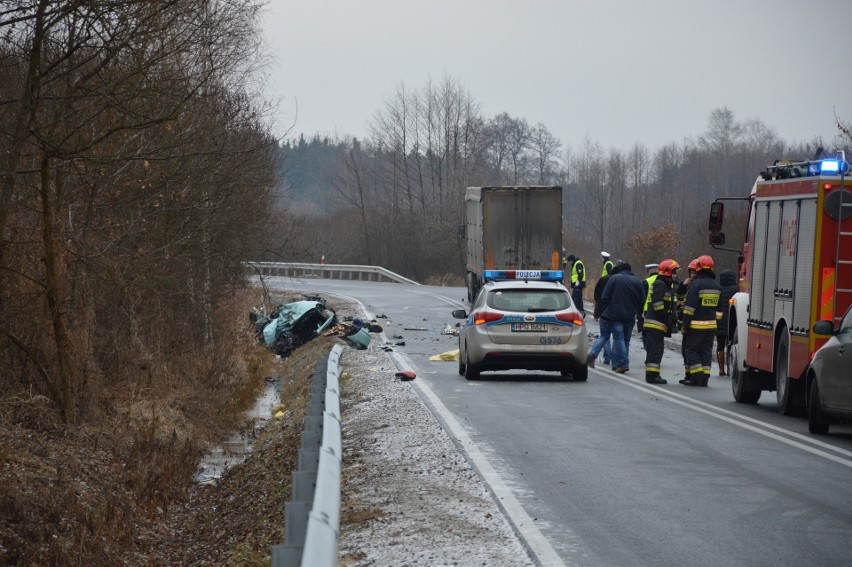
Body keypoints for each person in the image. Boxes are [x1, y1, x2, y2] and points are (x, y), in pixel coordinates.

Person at [589, 262, 645, 374]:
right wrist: (638, 314)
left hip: (615, 315)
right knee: (626, 340)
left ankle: (623, 363)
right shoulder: (638, 281)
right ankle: (619, 364)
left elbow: (604, 297)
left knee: (618, 338)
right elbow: (642, 300)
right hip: (630, 316)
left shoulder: (614, 278)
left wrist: (607, 311)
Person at [680, 255, 722, 387]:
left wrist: (685, 325)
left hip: (695, 326)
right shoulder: (717, 286)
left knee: (691, 350)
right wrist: (716, 323)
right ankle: (704, 377)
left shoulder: (696, 285)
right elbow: (720, 310)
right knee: (706, 351)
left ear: (698, 268)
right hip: (711, 326)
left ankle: (697, 376)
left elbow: (689, 309)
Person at [642, 259, 680, 384]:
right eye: (674, 272)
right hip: (655, 325)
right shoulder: (660, 284)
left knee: (657, 351)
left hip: (659, 325)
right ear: (668, 272)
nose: (676, 275)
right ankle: (652, 376)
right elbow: (657, 304)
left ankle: (654, 375)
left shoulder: (667, 286)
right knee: (655, 351)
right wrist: (666, 318)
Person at [592, 261, 625, 365]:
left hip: (603, 312)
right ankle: (617, 360)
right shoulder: (619, 281)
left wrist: (596, 313)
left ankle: (607, 357)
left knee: (605, 335)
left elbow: (597, 297)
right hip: (616, 312)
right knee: (618, 337)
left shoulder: (603, 279)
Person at [715, 269, 737, 376]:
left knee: (720, 346)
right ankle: (729, 369)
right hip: (732, 323)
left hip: (720, 321)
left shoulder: (718, 289)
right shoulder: (736, 290)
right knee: (730, 345)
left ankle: (720, 369)